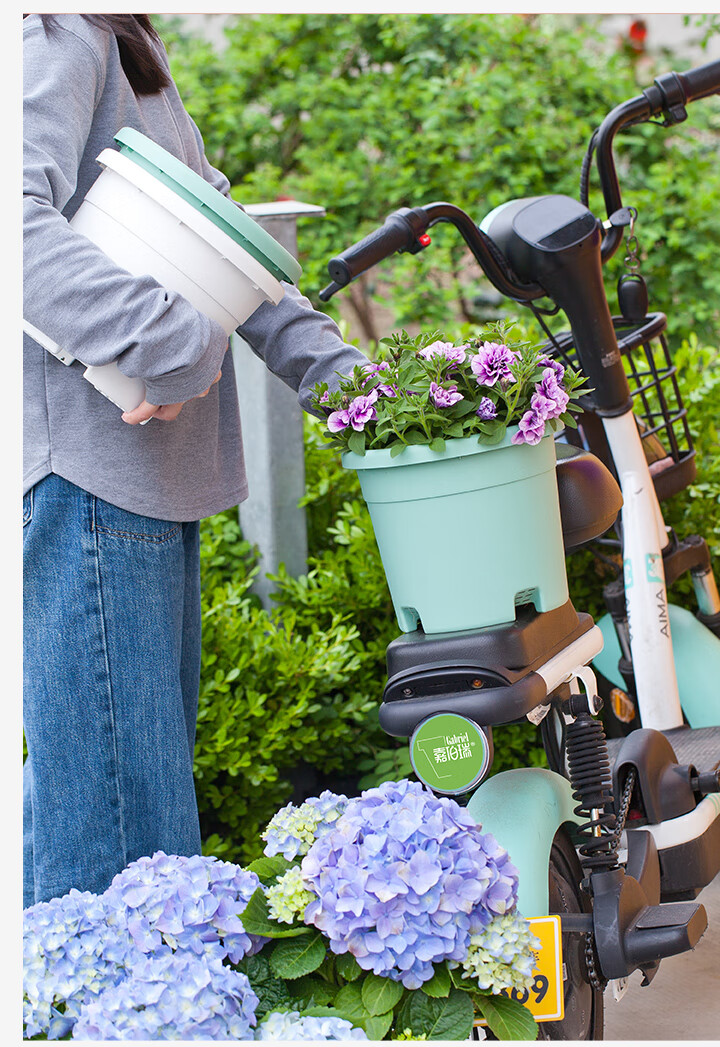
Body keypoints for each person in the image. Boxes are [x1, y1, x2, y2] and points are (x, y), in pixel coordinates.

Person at [22, 12, 367, 908]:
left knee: (105, 821)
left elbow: (225, 239)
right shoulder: (56, 30)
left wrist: (361, 392)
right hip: (89, 481)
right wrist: (174, 342)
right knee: (127, 860)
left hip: (133, 486)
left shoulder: (125, 41)